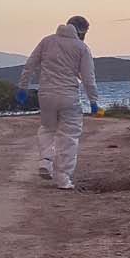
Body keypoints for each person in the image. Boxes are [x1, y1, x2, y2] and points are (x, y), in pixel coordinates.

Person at [16, 15, 99, 189]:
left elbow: (29, 65)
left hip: (45, 94)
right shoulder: (82, 48)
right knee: (69, 136)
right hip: (69, 95)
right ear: (82, 31)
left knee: (47, 128)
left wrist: (23, 87)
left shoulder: (47, 41)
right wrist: (93, 101)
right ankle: (63, 178)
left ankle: (46, 160)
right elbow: (88, 78)